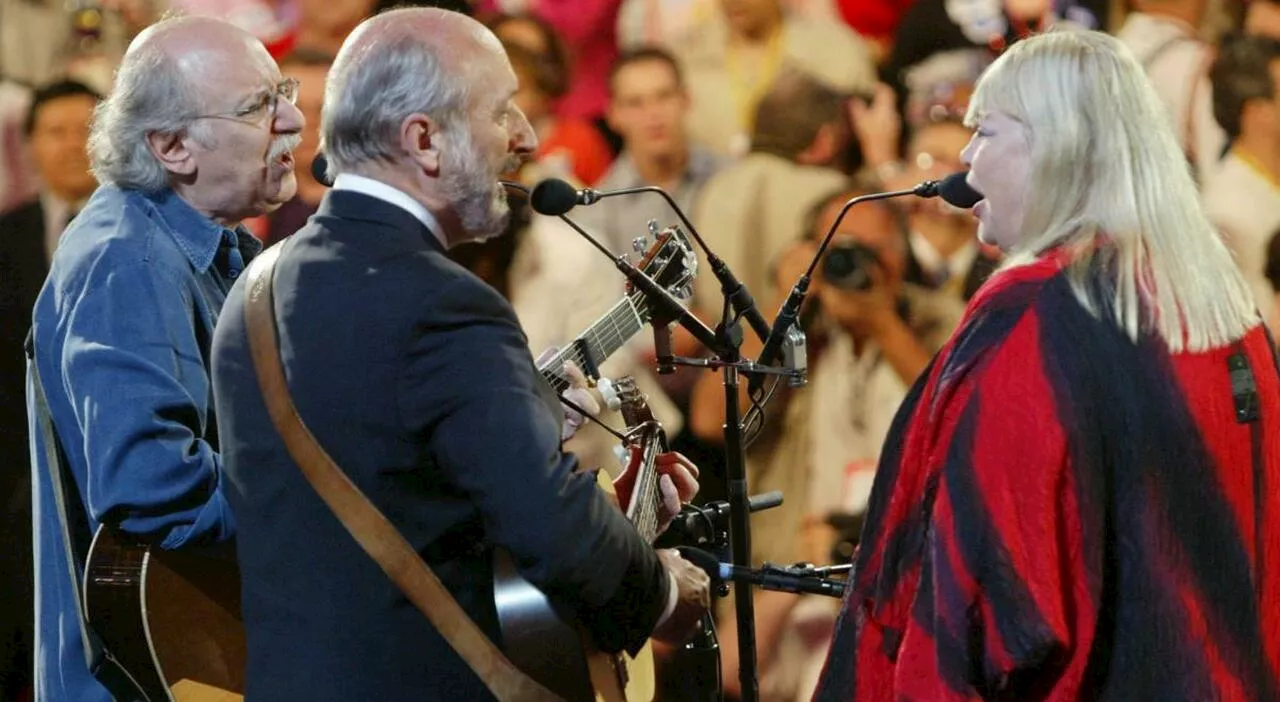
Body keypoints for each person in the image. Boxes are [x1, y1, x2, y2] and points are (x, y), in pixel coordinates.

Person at [209, 8, 710, 701]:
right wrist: (663, 593)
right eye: (502, 111)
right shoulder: (445, 304)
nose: (527, 137)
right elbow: (551, 527)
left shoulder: (253, 289)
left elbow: (387, 482)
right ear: (426, 139)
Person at [813, 29, 1280, 701]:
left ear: (1056, 144)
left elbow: (979, 590)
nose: (968, 161)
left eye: (988, 132)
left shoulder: (1037, 313)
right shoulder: (1223, 305)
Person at [25, 15, 303, 700]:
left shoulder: (208, 246)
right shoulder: (126, 257)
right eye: (261, 106)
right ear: (173, 145)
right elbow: (154, 488)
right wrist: (324, 495)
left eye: (284, 91)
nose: (294, 120)